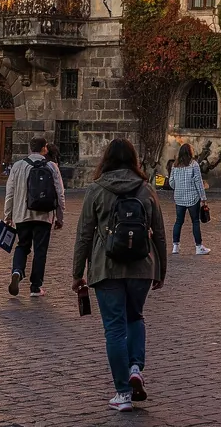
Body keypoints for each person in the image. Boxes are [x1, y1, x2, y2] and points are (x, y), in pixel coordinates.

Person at [72, 138, 167, 413]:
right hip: (142, 266)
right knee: (135, 316)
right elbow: (159, 233)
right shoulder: (146, 189)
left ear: (107, 159)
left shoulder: (97, 189)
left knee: (114, 328)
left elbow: (84, 235)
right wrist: (161, 269)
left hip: (106, 267)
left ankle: (123, 393)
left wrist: (77, 273)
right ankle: (136, 367)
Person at [4, 137, 66, 297]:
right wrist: (60, 217)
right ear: (45, 148)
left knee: (22, 245)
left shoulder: (18, 166)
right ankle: (35, 287)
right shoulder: (52, 166)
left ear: (30, 148)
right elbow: (60, 193)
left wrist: (8, 215)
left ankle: (17, 271)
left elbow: (9, 193)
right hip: (44, 215)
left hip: (21, 214)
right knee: (40, 250)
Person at [166, 142, 209, 255]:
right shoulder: (194, 164)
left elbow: (171, 182)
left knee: (178, 221)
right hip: (192, 197)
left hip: (179, 197)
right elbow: (198, 182)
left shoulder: (175, 165)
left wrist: (178, 187)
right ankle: (198, 246)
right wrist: (203, 197)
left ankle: (175, 246)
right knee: (195, 221)